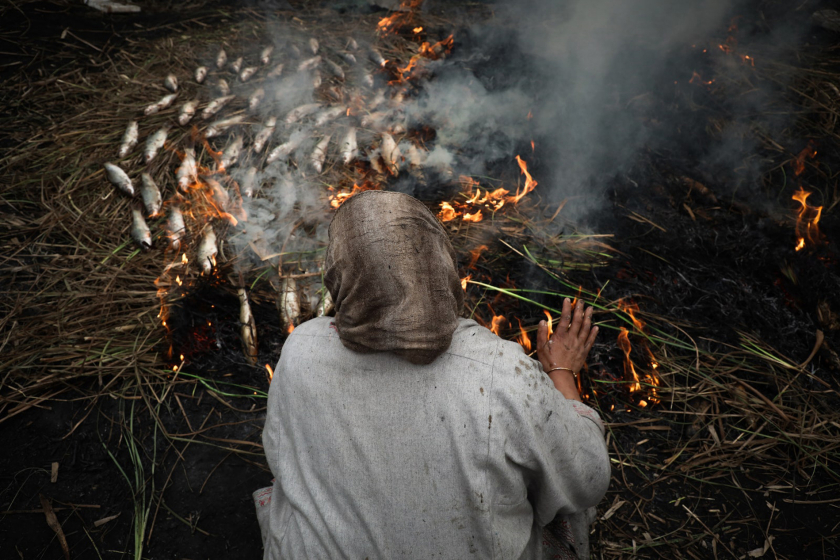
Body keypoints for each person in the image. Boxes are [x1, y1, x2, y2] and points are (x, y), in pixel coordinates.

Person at [255, 191, 610, 559]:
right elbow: (587, 480)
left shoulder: (302, 349)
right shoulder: (501, 373)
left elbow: (281, 456)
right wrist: (562, 372)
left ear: (338, 272)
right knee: (566, 507)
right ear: (441, 264)